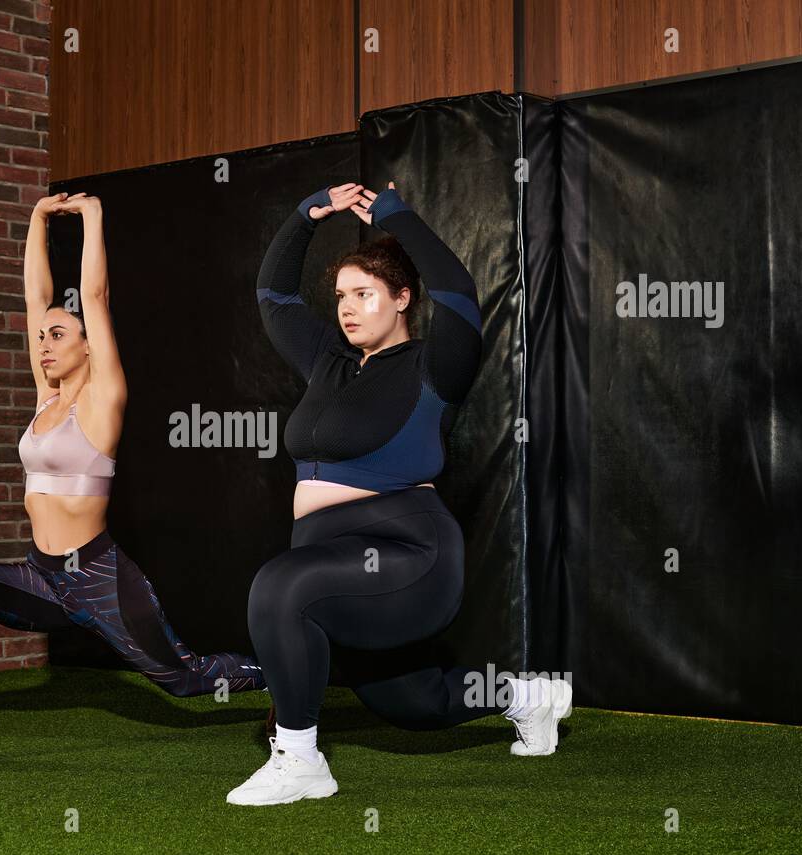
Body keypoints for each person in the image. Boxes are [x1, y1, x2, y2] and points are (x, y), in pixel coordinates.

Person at [227, 182, 571, 805]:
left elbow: (459, 292)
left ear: (402, 298)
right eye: (340, 297)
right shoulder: (328, 363)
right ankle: (528, 696)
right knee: (416, 705)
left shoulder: (435, 367)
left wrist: (395, 216)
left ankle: (301, 761)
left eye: (364, 294)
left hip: (407, 549)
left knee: (279, 585)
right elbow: (274, 295)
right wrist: (309, 212)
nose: (347, 308)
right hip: (331, 557)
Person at [0, 191, 264, 770]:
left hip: (97, 575)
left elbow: (92, 296)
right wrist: (38, 219)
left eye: (58, 336)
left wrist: (92, 217)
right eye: (41, 338)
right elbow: (34, 299)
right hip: (41, 577)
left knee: (187, 681)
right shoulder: (46, 399)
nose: (43, 346)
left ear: (89, 345)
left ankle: (281, 676)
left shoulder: (103, 401)